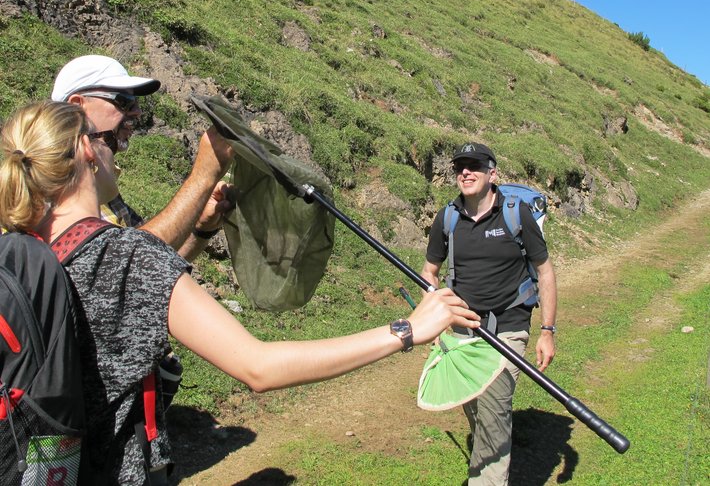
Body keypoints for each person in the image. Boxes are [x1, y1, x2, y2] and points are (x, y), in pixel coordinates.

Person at [0, 100, 481, 486]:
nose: (114, 152)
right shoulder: (128, 256)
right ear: (86, 150)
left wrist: (201, 232)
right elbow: (258, 367)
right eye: (104, 141)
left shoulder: (24, 254)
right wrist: (407, 330)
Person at [421, 142, 557, 486]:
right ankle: (491, 460)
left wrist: (547, 330)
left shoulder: (515, 213)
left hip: (509, 327)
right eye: (459, 167)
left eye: (474, 166)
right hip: (463, 331)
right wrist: (432, 318)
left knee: (494, 411)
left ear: (492, 173)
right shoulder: (447, 218)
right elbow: (429, 273)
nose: (465, 172)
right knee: (475, 405)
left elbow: (545, 271)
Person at [51, 54, 231, 261]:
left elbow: (149, 271)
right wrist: (204, 175)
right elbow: (126, 263)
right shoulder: (54, 179)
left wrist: (201, 229)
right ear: (78, 106)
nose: (137, 111)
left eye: (135, 102)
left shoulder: (101, 180)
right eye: (124, 102)